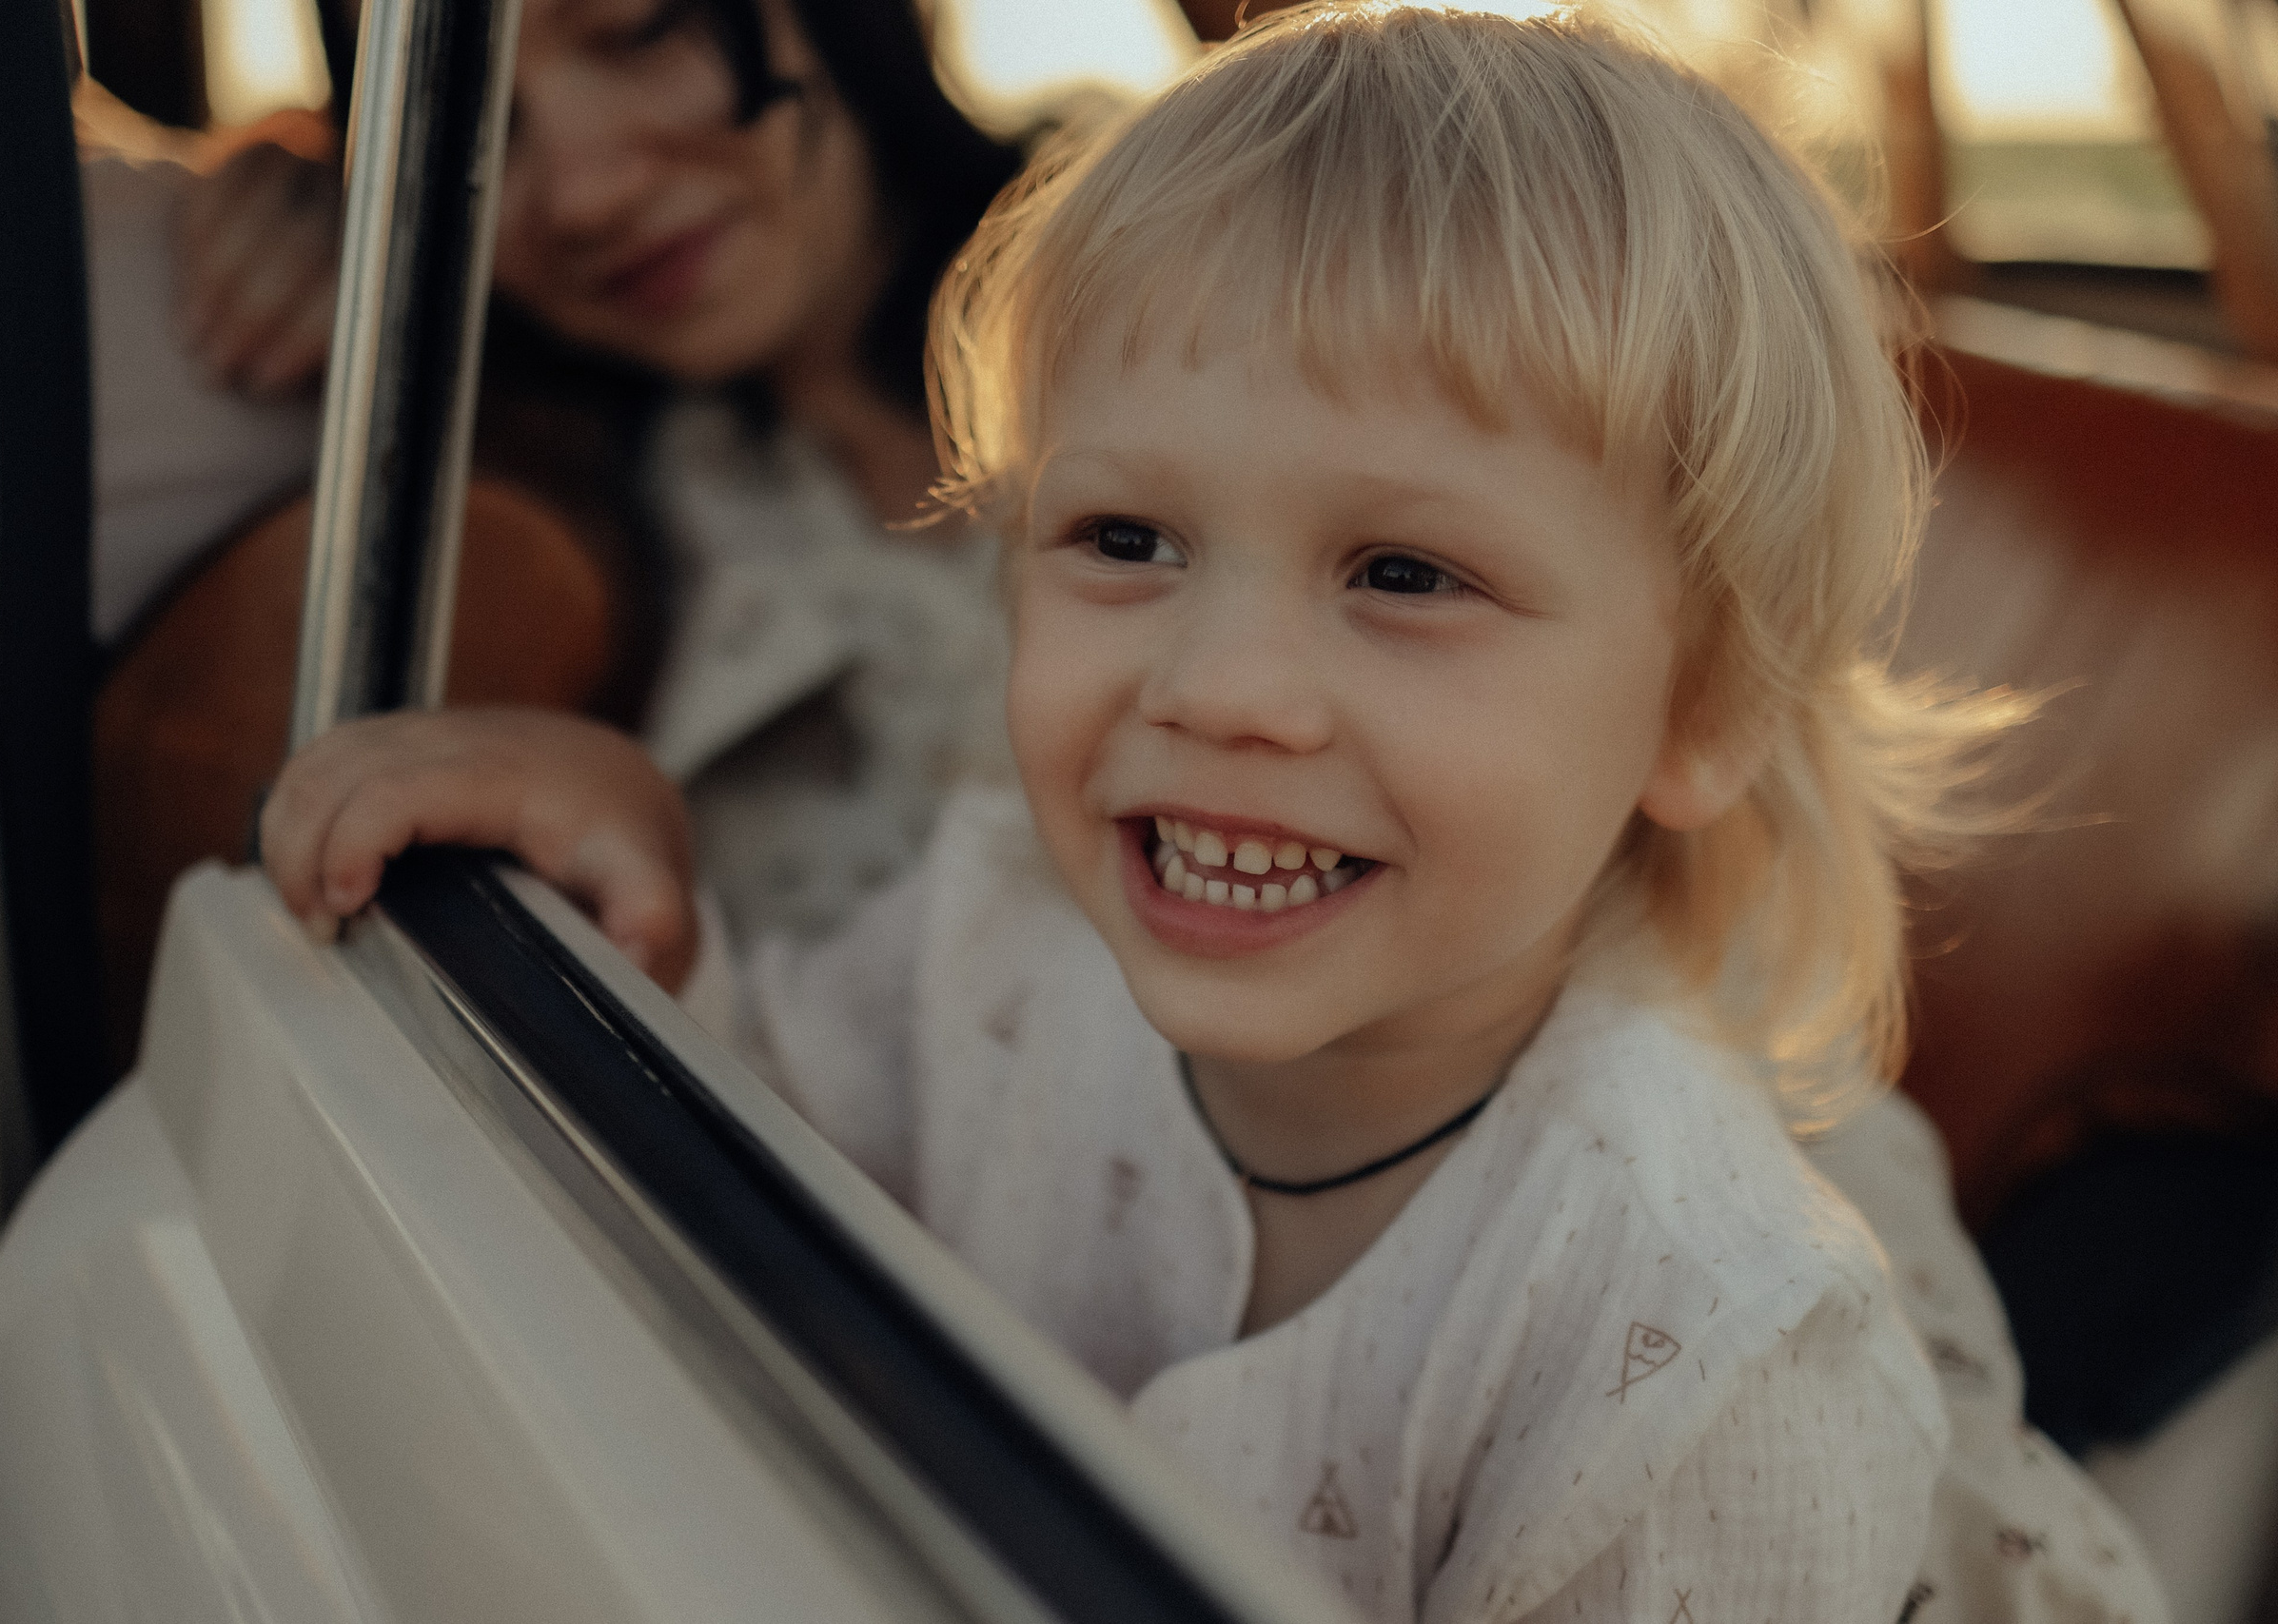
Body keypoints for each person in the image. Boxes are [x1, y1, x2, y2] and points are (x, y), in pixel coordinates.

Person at [258, 8, 2169, 1620]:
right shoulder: (992, 920)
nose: (1213, 686)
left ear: (1703, 713)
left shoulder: (1704, 1344)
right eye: (1122, 539)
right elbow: (775, 1157)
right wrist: (639, 881)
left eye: (1404, 573)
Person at [166, 0, 1023, 948]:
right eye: (475, 124)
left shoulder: (1169, 296)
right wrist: (340, 229)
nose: (584, 196)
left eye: (639, 28)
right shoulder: (542, 528)